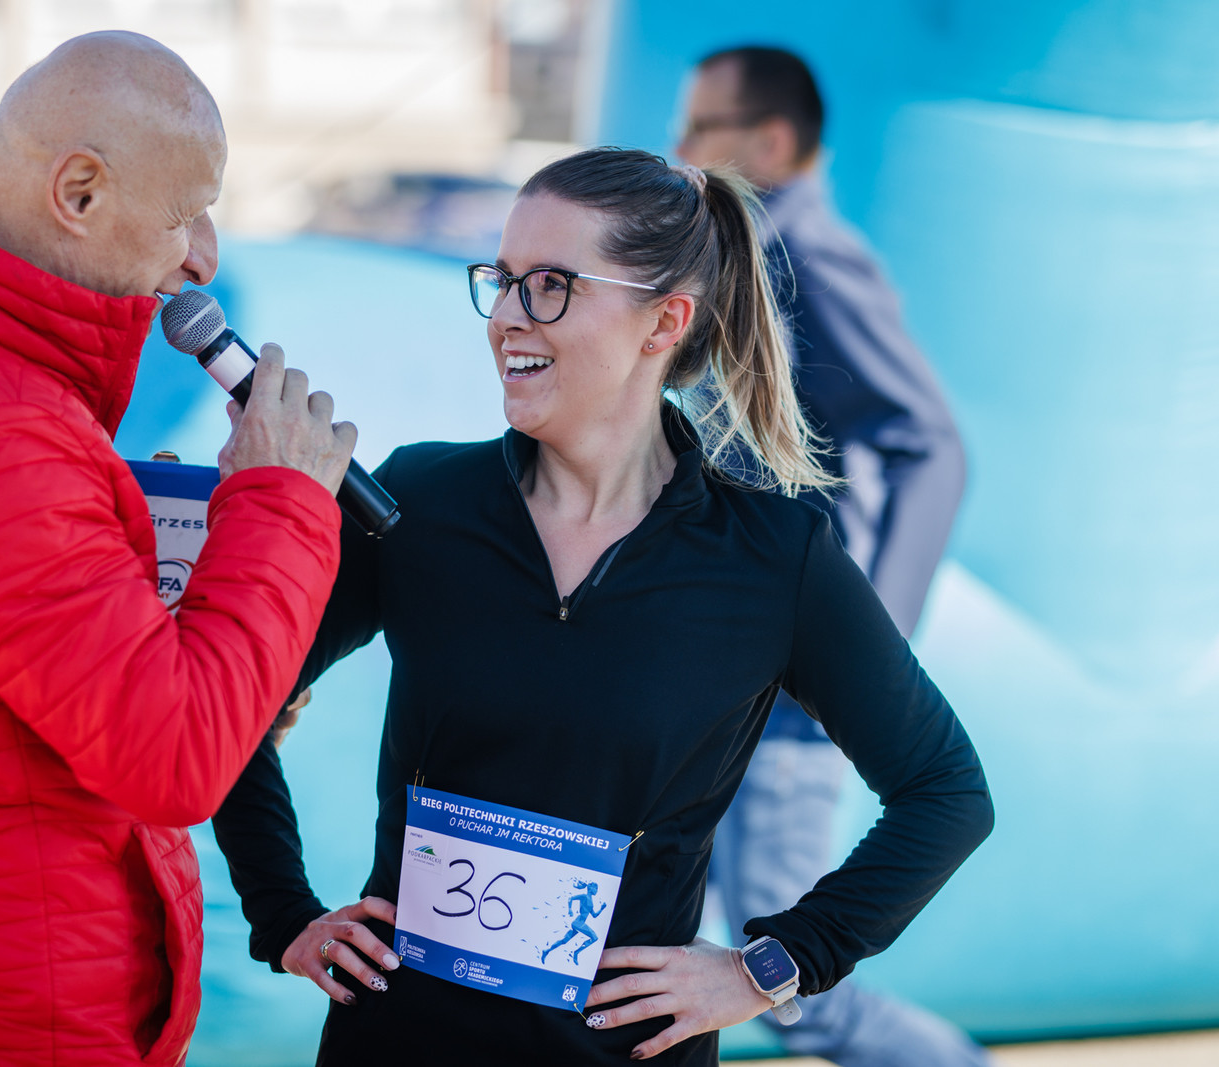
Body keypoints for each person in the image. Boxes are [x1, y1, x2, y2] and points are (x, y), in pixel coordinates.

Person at [210, 147, 993, 1065]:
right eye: (502, 280)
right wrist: (284, 914)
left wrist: (769, 965)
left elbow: (946, 792)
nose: (507, 316)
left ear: (664, 321)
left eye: (550, 285)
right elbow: (233, 697)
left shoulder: (774, 556)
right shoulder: (417, 502)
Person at [0, 32, 356, 1067]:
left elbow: (29, 679)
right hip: (16, 1026)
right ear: (78, 192)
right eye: (185, 212)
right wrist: (281, 498)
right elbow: (175, 760)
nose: (203, 255)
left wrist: (172, 597)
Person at [676, 47, 985, 1067]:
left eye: (701, 127)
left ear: (768, 144)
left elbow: (932, 441)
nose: (679, 148)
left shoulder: (808, 254)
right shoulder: (740, 256)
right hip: (724, 678)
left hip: (789, 696)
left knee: (791, 989)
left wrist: (871, 638)